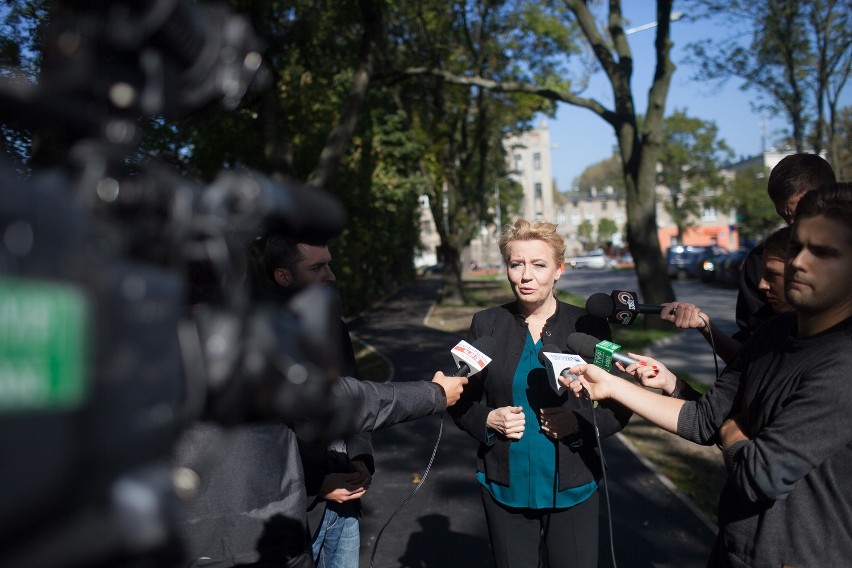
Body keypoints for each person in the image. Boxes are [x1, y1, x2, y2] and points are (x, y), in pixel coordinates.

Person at [564, 183, 852, 566]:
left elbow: (760, 473)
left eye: (823, 252)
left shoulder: (843, 363)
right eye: (798, 246)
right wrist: (619, 386)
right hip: (735, 548)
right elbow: (704, 421)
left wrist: (730, 430)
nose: (799, 262)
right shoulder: (771, 334)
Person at [448, 219, 632, 568]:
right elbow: (459, 398)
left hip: (575, 487)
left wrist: (579, 424)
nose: (525, 276)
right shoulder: (485, 325)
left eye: (539, 265)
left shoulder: (589, 326)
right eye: (516, 264)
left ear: (559, 270)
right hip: (504, 487)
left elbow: (622, 404)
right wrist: (487, 418)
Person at [262, 234, 370, 568]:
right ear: (284, 277)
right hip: (296, 512)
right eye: (317, 267)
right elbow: (264, 439)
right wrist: (318, 485)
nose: (331, 276)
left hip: (346, 500)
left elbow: (357, 394)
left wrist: (363, 459)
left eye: (330, 265)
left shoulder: (334, 328)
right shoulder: (258, 339)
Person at [733, 153, 835, 342]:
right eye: (785, 217)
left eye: (801, 214)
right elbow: (749, 343)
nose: (794, 226)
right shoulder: (761, 260)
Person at [660, 225, 794, 366]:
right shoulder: (772, 330)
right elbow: (743, 364)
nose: (762, 285)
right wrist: (704, 326)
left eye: (772, 275)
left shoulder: (813, 350)